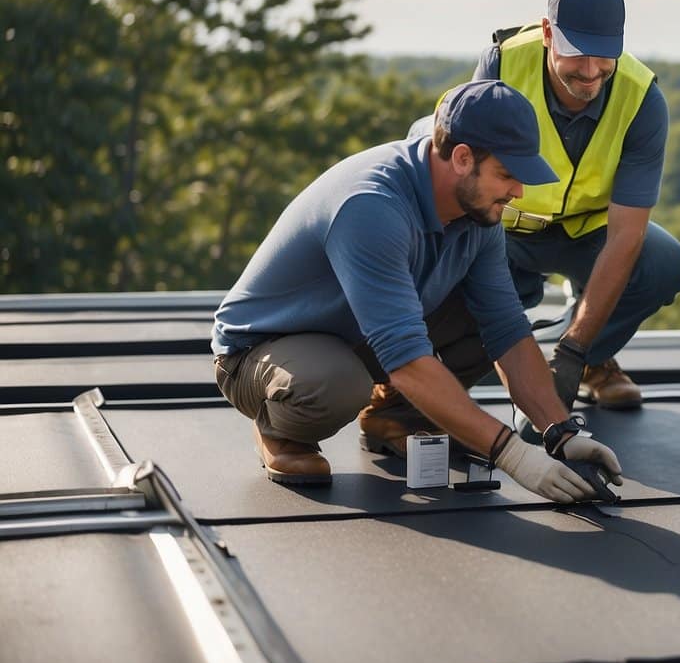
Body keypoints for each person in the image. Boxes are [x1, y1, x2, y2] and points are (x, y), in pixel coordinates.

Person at [211, 80, 622, 503]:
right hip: (262, 351)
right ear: (462, 158)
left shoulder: (477, 214)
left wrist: (561, 431)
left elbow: (507, 331)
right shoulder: (372, 206)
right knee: (336, 385)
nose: (518, 191)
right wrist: (513, 455)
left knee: (487, 317)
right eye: (507, 174)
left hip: (356, 331)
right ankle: (279, 429)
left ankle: (393, 416)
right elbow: (405, 359)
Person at [423, 0, 680, 415]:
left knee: (664, 263)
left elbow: (626, 235)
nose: (590, 72)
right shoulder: (502, 64)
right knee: (451, 281)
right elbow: (464, 179)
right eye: (575, 53)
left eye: (604, 56)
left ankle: (591, 362)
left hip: (589, 231)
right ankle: (417, 394)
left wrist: (574, 349)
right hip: (501, 227)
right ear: (547, 33)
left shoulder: (642, 98)